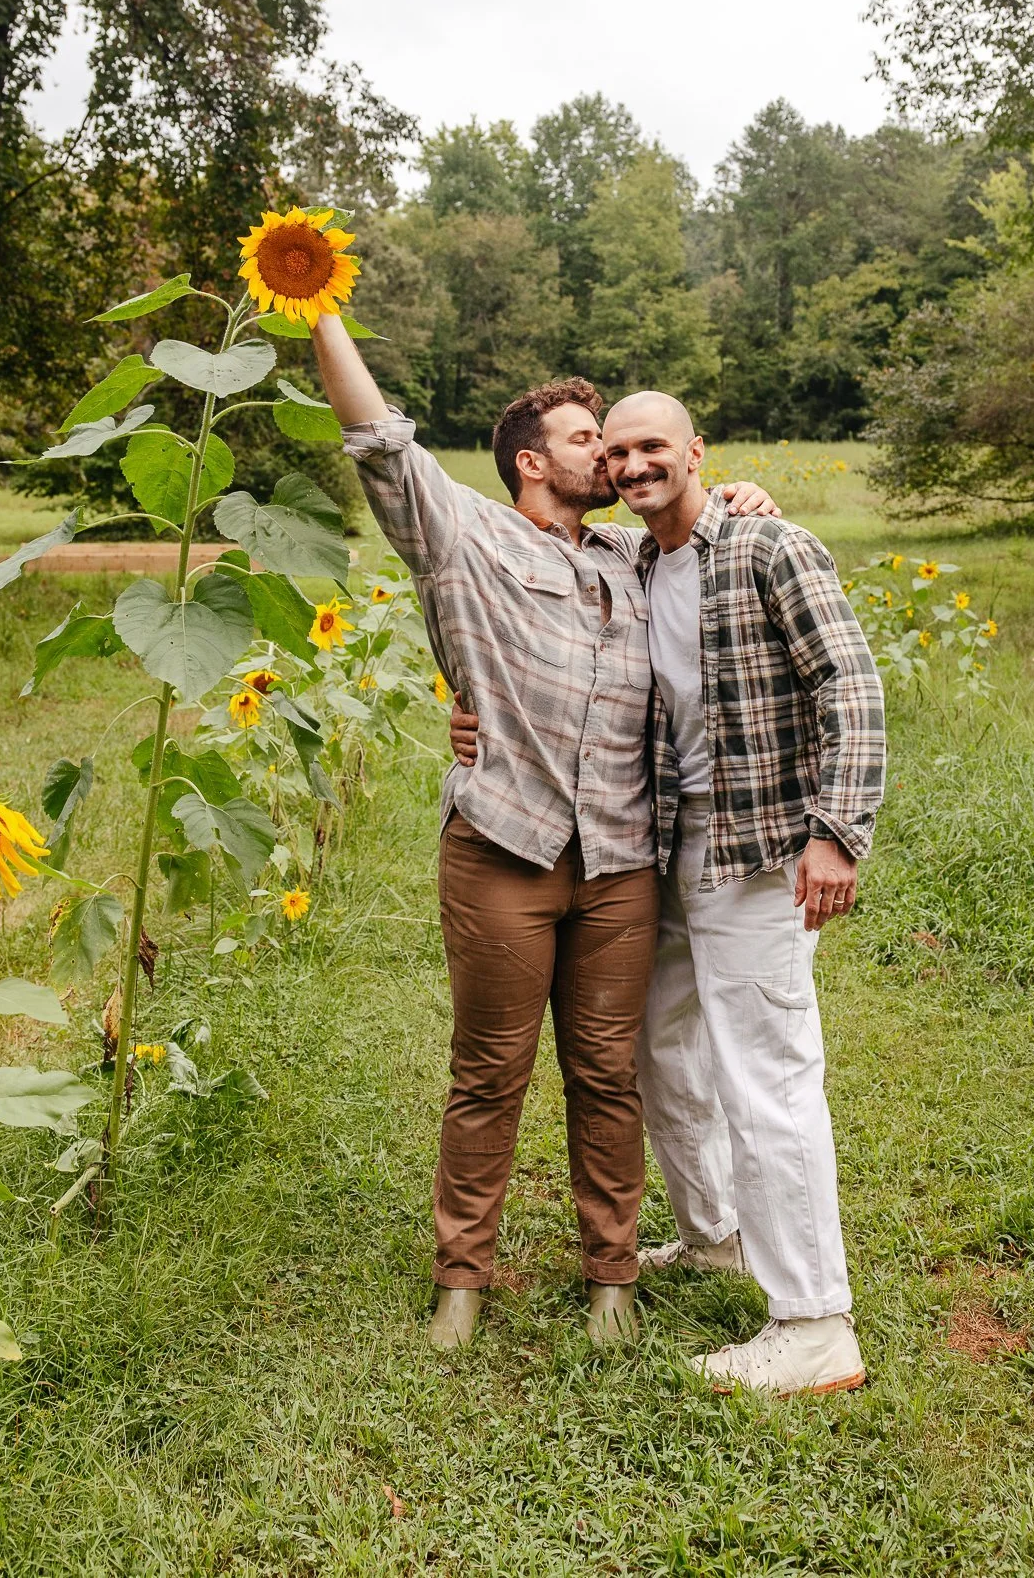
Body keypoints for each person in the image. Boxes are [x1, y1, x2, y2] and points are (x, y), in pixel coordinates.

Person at [306, 314, 779, 1349]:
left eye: (612, 439)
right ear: (532, 458)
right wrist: (320, 307)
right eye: (587, 439)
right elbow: (380, 440)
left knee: (607, 1074)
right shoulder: (464, 536)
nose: (608, 455)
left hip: (619, 862)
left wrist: (744, 499)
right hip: (503, 852)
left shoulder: (633, 557)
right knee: (488, 1072)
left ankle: (611, 1272)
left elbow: (707, 537)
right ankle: (462, 1278)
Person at [598, 391, 885, 1396]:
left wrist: (836, 833)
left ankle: (814, 1322)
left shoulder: (769, 545)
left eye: (654, 447)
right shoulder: (635, 558)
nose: (637, 464)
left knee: (767, 1070)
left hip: (760, 849)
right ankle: (715, 1230)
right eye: (619, 450)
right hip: (667, 845)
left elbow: (849, 685)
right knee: (659, 1044)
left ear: (696, 452)